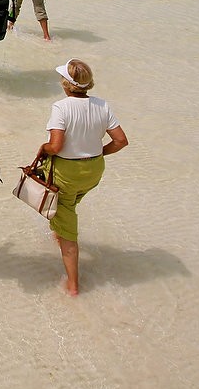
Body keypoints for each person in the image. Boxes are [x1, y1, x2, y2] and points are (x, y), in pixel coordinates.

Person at [35, 59, 129, 297]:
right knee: (69, 204)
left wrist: (43, 148)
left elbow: (55, 146)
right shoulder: (102, 105)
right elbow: (121, 141)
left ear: (67, 84)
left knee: (68, 227)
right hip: (94, 172)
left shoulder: (61, 107)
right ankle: (59, 230)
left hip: (67, 173)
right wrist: (97, 154)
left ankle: (73, 286)